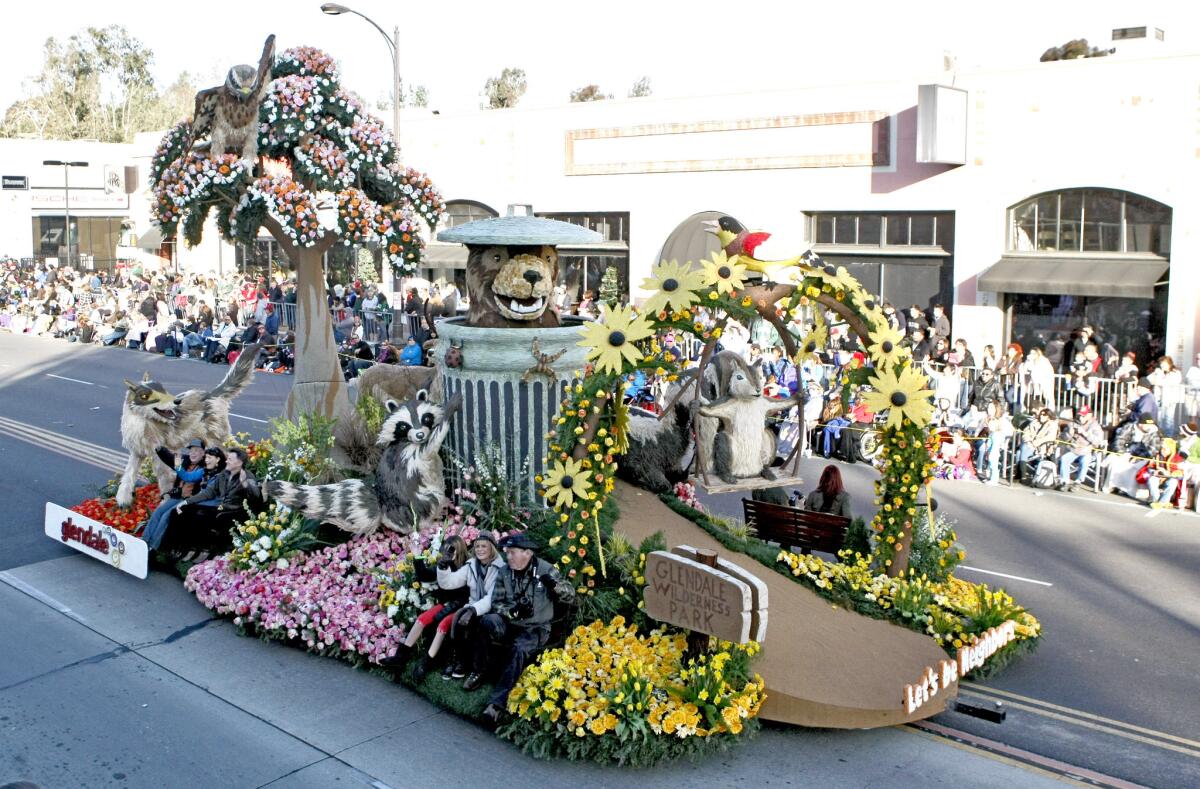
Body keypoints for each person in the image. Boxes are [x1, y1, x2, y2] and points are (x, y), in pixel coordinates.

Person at [467, 532, 575, 725]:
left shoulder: (545, 569)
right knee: (486, 621)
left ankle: (496, 705)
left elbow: (572, 596)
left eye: (512, 553)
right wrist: (513, 612)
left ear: (527, 553)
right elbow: (496, 603)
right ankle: (479, 670)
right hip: (511, 622)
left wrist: (556, 587)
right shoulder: (504, 572)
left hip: (537, 627)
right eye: (507, 553)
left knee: (520, 648)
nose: (508, 557)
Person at [385, 536, 471, 681]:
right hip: (444, 604)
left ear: (459, 550)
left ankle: (426, 663)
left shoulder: (466, 568)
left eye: (451, 550)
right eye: (445, 549)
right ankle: (401, 657)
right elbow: (424, 576)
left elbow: (465, 596)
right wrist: (417, 555)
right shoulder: (444, 564)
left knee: (443, 625)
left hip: (460, 607)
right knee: (421, 619)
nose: (447, 553)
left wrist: (448, 608)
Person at [445, 533, 506, 680]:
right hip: (474, 606)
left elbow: (492, 598)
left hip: (492, 610)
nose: (479, 549)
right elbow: (450, 582)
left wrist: (472, 610)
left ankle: (475, 668)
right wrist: (443, 567)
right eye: (477, 546)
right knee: (458, 617)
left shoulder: (501, 568)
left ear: (492, 548)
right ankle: (459, 661)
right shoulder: (472, 565)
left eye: (484, 546)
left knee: (475, 623)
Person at [139, 439, 207, 549]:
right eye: (191, 450)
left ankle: (153, 547)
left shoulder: (205, 466)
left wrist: (178, 467)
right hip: (177, 497)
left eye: (197, 450)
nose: (193, 453)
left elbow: (189, 477)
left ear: (203, 453)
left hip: (190, 501)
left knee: (167, 516)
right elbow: (170, 458)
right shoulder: (185, 460)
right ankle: (144, 541)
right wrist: (159, 448)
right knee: (158, 512)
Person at [1104, 416, 1162, 497]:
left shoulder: (1153, 432)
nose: (1149, 427)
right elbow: (1119, 440)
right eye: (1147, 425)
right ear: (1140, 424)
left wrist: (1137, 458)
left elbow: (1153, 450)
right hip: (1126, 453)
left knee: (1134, 468)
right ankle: (1113, 486)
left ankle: (1129, 490)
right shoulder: (1129, 427)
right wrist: (1123, 453)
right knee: (1115, 462)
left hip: (1143, 457)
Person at [1056, 406, 1105, 493]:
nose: (1081, 417)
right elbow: (1063, 438)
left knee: (1085, 461)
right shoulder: (1074, 423)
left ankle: (1078, 482)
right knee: (1064, 459)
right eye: (1080, 415)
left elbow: (1098, 442)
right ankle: (1065, 481)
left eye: (1083, 416)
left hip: (1087, 451)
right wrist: (1069, 434)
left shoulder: (1095, 426)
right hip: (1073, 450)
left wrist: (1085, 433)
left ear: (1089, 415)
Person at [1143, 438, 1184, 510]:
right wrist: (1154, 472)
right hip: (1157, 477)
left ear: (1171, 449)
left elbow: (1181, 474)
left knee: (1173, 482)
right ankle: (1156, 500)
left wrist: (1169, 474)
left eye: (1165, 449)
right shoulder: (1156, 455)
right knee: (1151, 480)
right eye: (1162, 448)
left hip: (1169, 478)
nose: (1162, 451)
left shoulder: (1178, 458)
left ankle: (1162, 502)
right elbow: (1149, 467)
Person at [981, 400, 1014, 485]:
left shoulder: (1001, 420)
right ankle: (991, 477)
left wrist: (1005, 439)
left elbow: (1010, 430)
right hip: (991, 438)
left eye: (991, 408)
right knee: (989, 457)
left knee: (993, 458)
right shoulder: (988, 418)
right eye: (988, 407)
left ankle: (994, 479)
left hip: (997, 439)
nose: (989, 409)